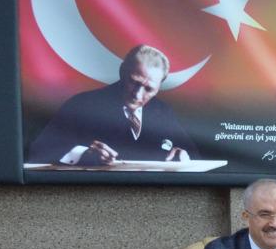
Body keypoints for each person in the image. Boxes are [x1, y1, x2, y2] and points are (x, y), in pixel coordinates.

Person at [26, 44, 200, 166]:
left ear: (160, 86)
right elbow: (38, 152)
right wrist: (82, 154)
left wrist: (184, 156)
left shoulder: (163, 112)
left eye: (148, 89)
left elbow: (196, 156)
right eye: (134, 82)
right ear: (122, 71)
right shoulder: (82, 105)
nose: (138, 94)